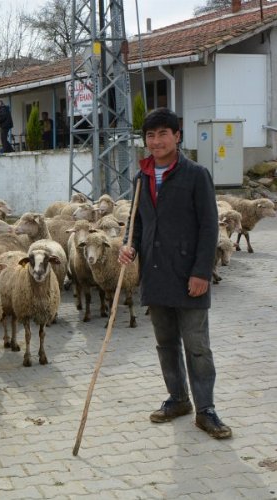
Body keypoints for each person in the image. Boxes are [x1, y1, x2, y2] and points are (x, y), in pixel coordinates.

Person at [119, 108, 230, 439]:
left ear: (177, 136)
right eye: (150, 136)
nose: (156, 141)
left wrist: (201, 272)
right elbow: (138, 223)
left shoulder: (196, 175)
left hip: (188, 276)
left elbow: (209, 227)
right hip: (155, 276)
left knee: (197, 345)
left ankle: (206, 409)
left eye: (163, 134)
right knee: (165, 344)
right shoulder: (141, 178)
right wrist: (129, 246)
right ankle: (178, 399)